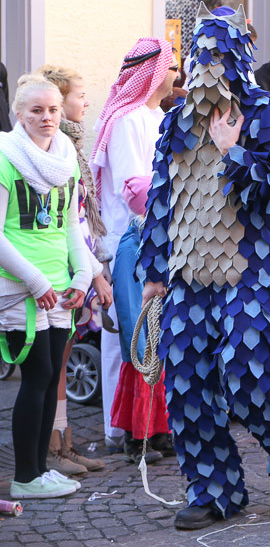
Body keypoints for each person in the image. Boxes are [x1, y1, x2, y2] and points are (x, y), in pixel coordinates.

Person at [137, 5, 270, 530]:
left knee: (244, 372)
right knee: (188, 382)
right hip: (188, 271)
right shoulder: (174, 121)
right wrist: (153, 270)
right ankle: (214, 491)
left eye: (220, 56)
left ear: (239, 59)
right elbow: (162, 201)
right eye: (201, 57)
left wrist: (232, 152)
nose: (209, 68)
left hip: (248, 270)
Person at [0, 75, 92, 499]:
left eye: (53, 109)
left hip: (59, 287)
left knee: (51, 373)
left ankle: (39, 470)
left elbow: (70, 224)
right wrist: (35, 282)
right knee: (35, 377)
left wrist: (82, 275)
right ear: (19, 114)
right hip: (22, 287)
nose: (47, 117)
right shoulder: (4, 155)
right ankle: (25, 477)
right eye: (36, 110)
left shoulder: (66, 156)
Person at [91, 39, 176, 464]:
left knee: (155, 336)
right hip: (131, 240)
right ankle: (124, 430)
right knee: (133, 338)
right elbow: (132, 186)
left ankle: (154, 428)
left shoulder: (158, 116)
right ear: (155, 72)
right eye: (172, 66)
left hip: (156, 238)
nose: (177, 74)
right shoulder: (127, 119)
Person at [37, 65, 111, 477]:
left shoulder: (71, 145)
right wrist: (94, 273)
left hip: (78, 263)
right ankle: (53, 448)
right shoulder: (54, 147)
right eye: (79, 96)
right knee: (51, 364)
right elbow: (71, 220)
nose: (85, 102)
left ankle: (64, 442)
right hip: (62, 266)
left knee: (60, 361)